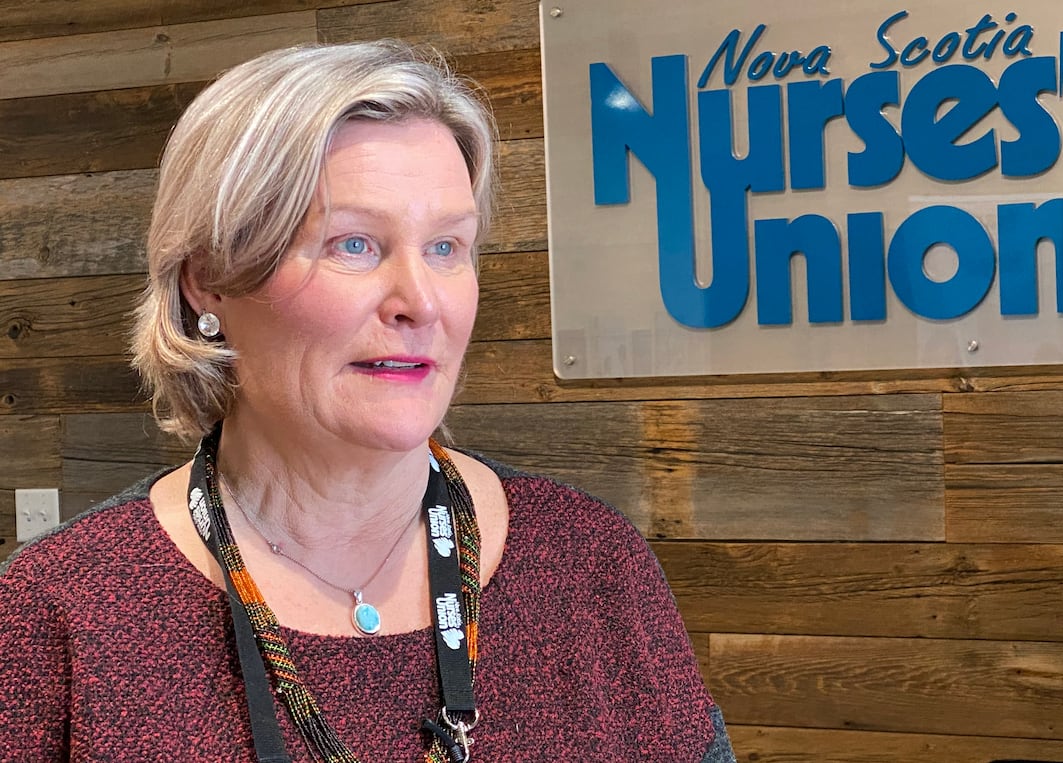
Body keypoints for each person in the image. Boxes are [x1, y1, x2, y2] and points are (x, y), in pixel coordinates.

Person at [0, 40, 735, 762]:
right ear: (210, 278)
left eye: (447, 247)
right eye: (354, 244)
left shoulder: (593, 563)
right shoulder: (57, 611)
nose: (421, 301)